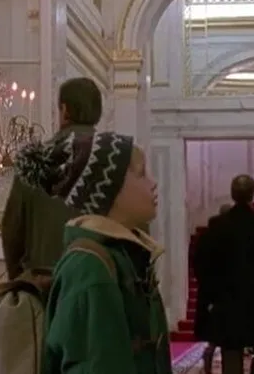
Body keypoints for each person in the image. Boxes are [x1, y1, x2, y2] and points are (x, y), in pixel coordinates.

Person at [12, 129, 170, 373]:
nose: (153, 183)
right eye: (141, 174)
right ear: (110, 189)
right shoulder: (90, 269)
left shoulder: (124, 255)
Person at [1, 77, 103, 279]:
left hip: (44, 283)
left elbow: (12, 230)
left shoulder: (35, 158)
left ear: (64, 110)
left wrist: (20, 278)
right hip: (98, 282)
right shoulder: (113, 158)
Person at [204, 175, 254, 374]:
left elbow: (206, 263)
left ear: (232, 193)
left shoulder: (218, 224)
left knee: (231, 349)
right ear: (252, 194)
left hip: (227, 298)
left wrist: (211, 295)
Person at [193, 203, 233, 374]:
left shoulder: (206, 237)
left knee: (214, 335)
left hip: (209, 291)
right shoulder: (230, 237)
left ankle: (208, 365)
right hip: (226, 292)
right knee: (226, 336)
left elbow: (197, 263)